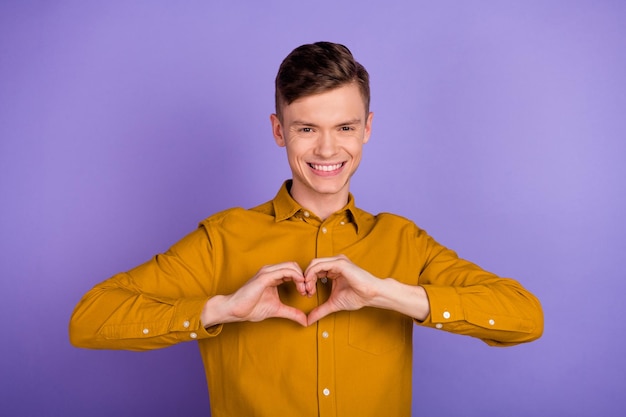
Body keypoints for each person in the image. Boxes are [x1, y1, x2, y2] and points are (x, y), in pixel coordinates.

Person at [69, 41, 543, 416]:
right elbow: (89, 319)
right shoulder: (223, 238)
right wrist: (221, 309)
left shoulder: (403, 240)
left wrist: (389, 294)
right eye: (306, 129)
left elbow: (525, 317)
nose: (327, 149)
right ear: (279, 131)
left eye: (344, 128)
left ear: (367, 129)